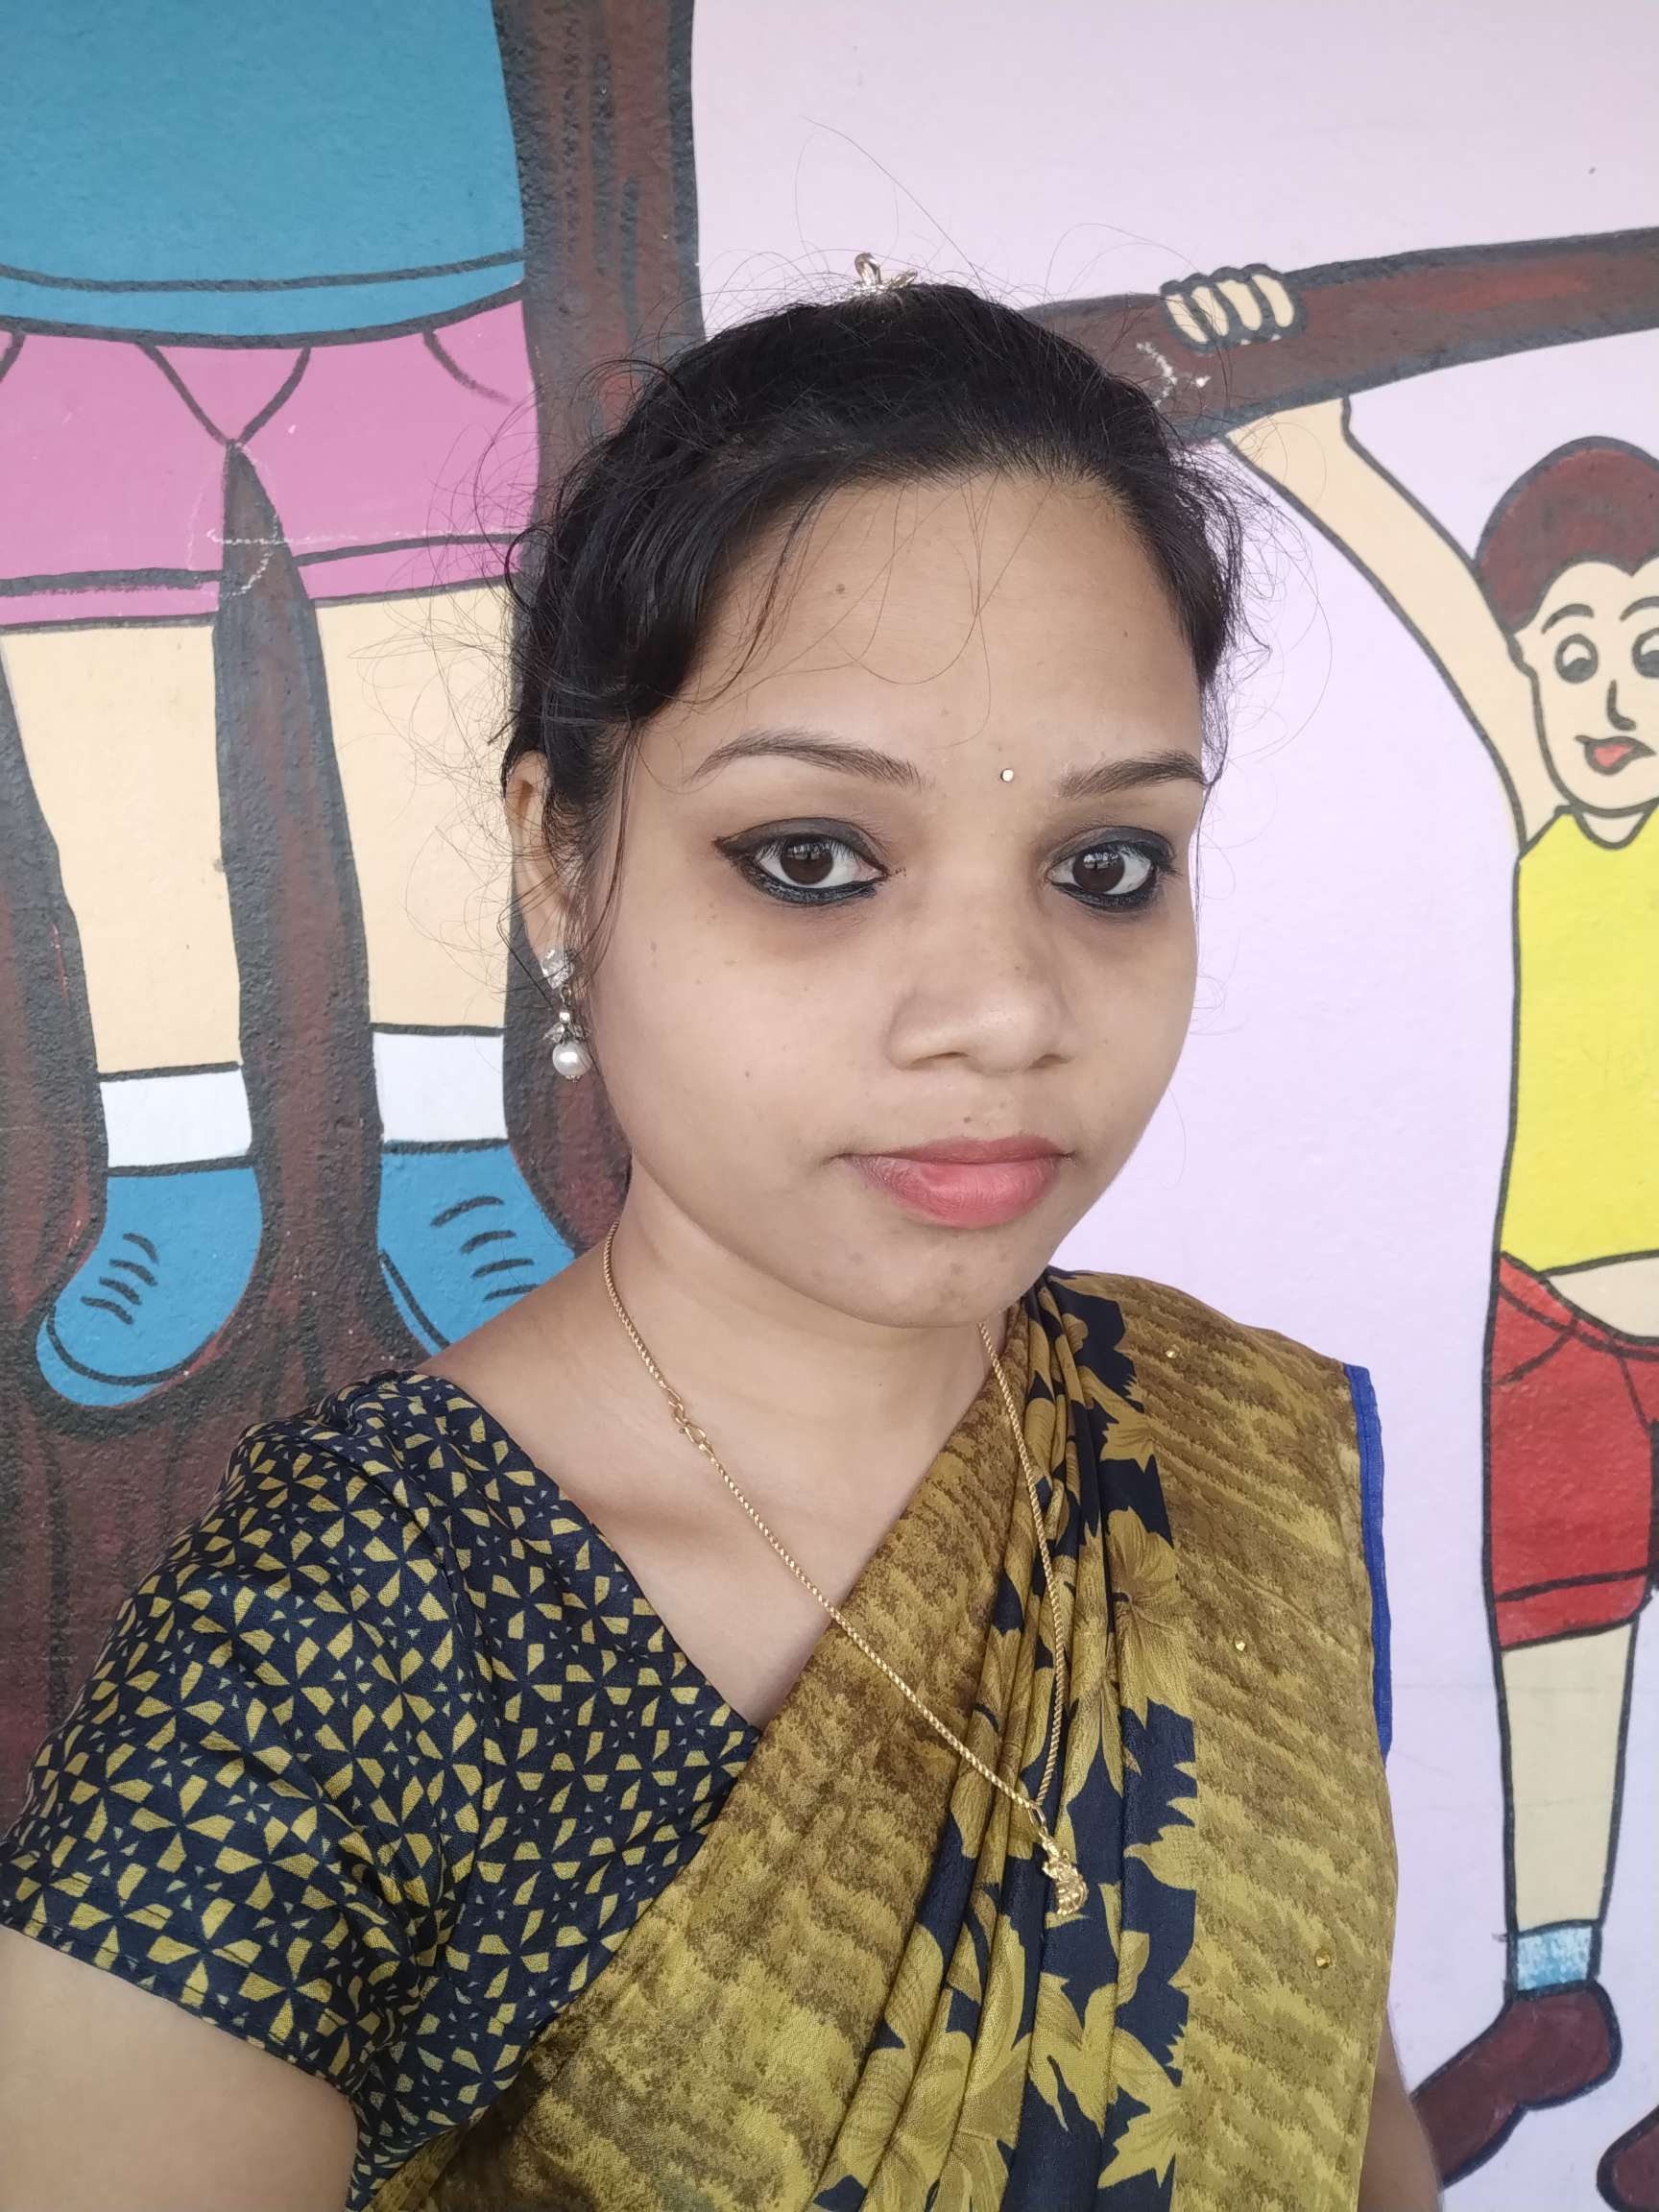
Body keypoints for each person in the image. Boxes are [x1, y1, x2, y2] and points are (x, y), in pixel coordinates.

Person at [0, 262, 1438, 2211]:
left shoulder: (1228, 1456)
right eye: (814, 860)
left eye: (1108, 866)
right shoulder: (348, 1647)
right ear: (559, 863)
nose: (1003, 1011)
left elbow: (1343, 2127)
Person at [1164, 264, 1659, 2210]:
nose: (1608, 699)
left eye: (1652, 651)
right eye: (1573, 655)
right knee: (1558, 1655)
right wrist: (1274, 370)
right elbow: (1386, 535)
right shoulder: (1549, 801)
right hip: (1553, 1327)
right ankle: (1555, 1995)